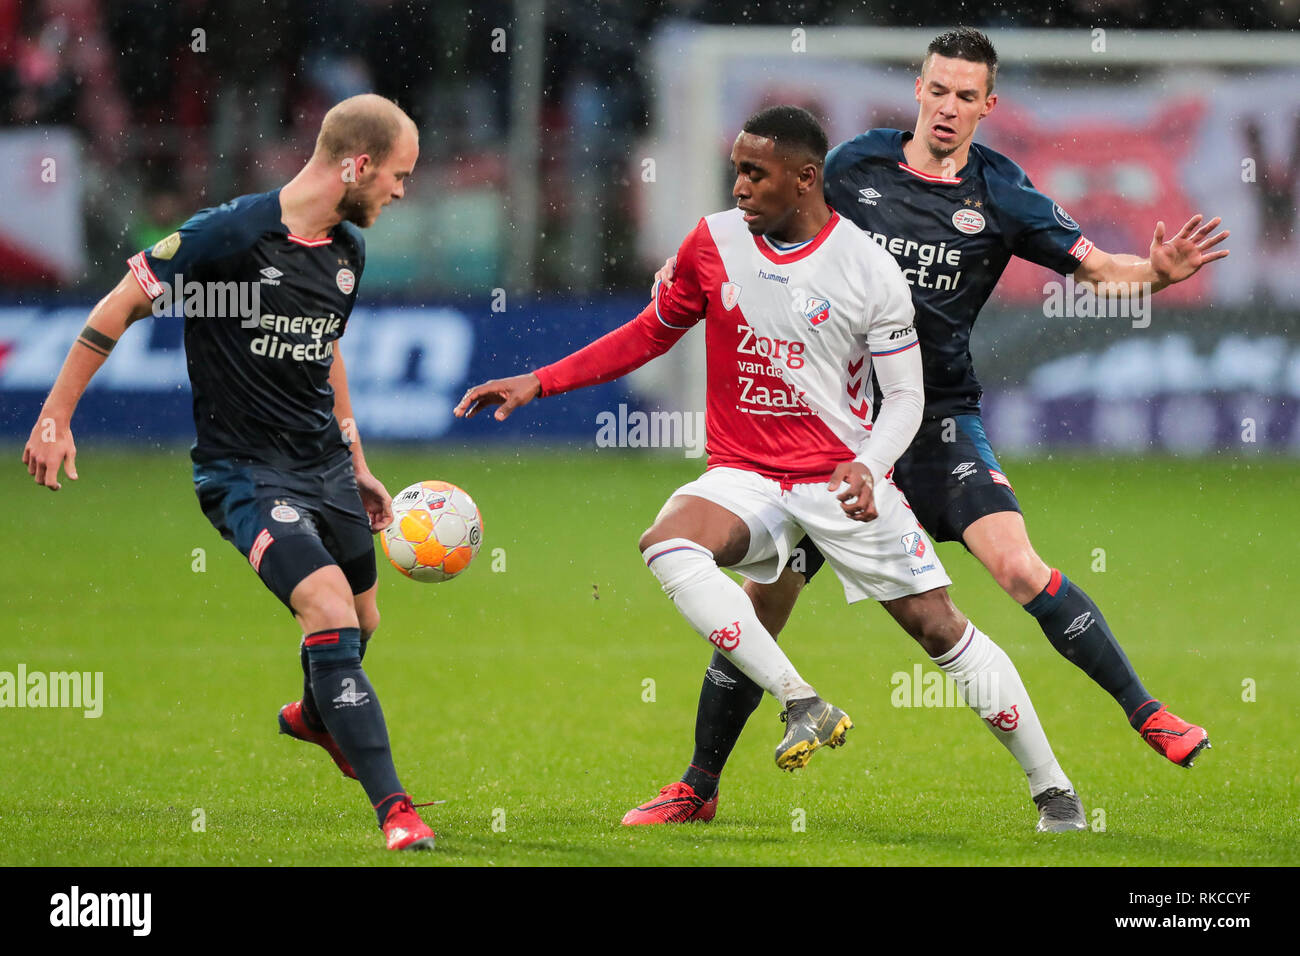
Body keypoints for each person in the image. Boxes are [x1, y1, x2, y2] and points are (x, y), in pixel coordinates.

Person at [633, 27, 1228, 826]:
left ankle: (1144, 711)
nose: (948, 108)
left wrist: (1153, 273)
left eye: (966, 96)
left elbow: (1094, 269)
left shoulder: (1004, 194)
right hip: (834, 429)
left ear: (990, 105)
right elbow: (767, 219)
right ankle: (697, 786)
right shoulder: (855, 166)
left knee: (1017, 569)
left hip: (938, 417)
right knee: (763, 604)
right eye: (937, 90)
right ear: (918, 90)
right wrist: (685, 264)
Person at [457, 105, 1088, 832]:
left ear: (806, 178)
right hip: (745, 474)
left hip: (837, 477)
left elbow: (907, 396)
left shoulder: (866, 269)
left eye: (756, 173)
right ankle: (799, 704)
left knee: (938, 627)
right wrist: (540, 380)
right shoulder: (714, 242)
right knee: (667, 541)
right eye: (736, 171)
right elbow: (649, 332)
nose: (740, 187)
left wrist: (869, 463)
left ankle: (1054, 791)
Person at [22, 94, 437, 852]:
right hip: (245, 474)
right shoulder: (229, 235)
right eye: (399, 175)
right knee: (329, 609)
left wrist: (358, 459)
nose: (402, 192)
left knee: (364, 622)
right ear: (357, 164)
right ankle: (396, 810)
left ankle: (316, 717)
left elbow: (326, 350)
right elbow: (120, 303)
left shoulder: (347, 250)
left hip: (323, 465)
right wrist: (56, 415)